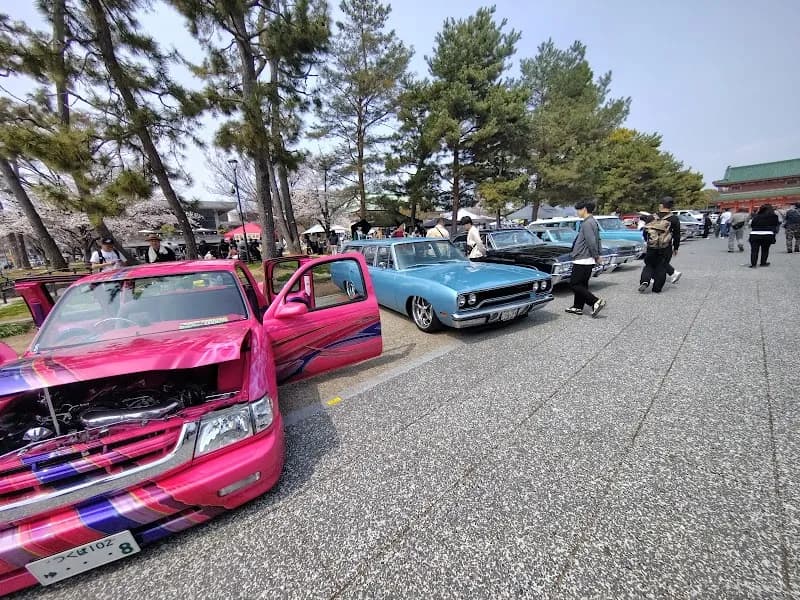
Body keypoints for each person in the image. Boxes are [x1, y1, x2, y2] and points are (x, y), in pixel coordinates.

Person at [565, 201, 606, 316]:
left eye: (578, 210)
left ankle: (595, 301)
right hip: (587, 258)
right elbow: (598, 240)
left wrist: (596, 256)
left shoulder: (587, 223)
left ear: (584, 209)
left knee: (574, 284)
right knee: (582, 284)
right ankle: (577, 307)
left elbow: (591, 242)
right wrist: (597, 254)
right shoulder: (592, 221)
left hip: (583, 258)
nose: (577, 212)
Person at [638, 199, 679, 293]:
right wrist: (676, 248)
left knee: (649, 265)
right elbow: (677, 235)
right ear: (671, 206)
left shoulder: (651, 217)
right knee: (662, 266)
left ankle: (645, 281)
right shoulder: (674, 219)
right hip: (666, 247)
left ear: (661, 205)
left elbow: (645, 232)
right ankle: (657, 288)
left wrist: (649, 242)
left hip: (652, 247)